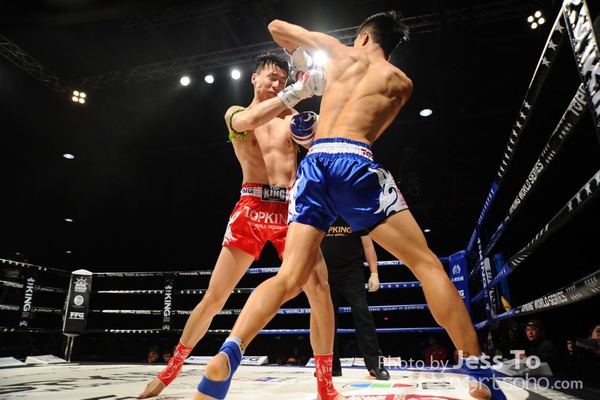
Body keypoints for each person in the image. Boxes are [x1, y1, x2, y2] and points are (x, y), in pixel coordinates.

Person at [195, 10, 506, 400]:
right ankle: (479, 374)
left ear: (363, 37)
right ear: (389, 45)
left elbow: (276, 28)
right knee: (426, 264)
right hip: (354, 158)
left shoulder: (337, 52)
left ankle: (230, 350)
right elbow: (369, 128)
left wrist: (300, 59)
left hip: (314, 165)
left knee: (288, 277)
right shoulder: (401, 83)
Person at [138, 53, 330, 398]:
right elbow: (247, 121)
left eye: (283, 80)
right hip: (251, 206)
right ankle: (170, 371)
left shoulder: (293, 118)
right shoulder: (236, 112)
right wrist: (298, 91)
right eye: (271, 77)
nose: (277, 84)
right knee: (215, 297)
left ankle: (325, 386)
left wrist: (312, 135)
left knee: (320, 290)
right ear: (254, 79)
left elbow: (320, 154)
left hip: (291, 209)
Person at [320, 216, 389, 379]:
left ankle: (376, 365)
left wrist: (374, 273)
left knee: (362, 313)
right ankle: (331, 366)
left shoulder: (352, 214)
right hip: (325, 275)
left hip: (351, 275)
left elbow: (368, 245)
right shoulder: (321, 215)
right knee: (326, 320)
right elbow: (309, 245)